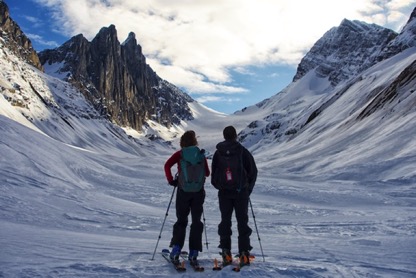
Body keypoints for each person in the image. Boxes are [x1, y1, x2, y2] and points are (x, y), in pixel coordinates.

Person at [211, 126, 258, 266]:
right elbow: (253, 171)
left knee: (225, 221)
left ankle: (226, 253)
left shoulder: (218, 153)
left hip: (224, 193)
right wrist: (247, 189)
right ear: (235, 136)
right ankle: (244, 254)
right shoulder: (242, 151)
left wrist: (220, 186)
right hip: (241, 192)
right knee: (242, 222)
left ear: (224, 136)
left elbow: (214, 175)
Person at [164, 130, 210, 266]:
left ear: (182, 142)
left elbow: (167, 165)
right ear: (195, 141)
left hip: (183, 191)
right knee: (196, 221)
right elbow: (207, 173)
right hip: (198, 192)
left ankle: (177, 249)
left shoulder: (180, 154)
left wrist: (171, 180)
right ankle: (194, 252)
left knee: (181, 220)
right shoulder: (201, 154)